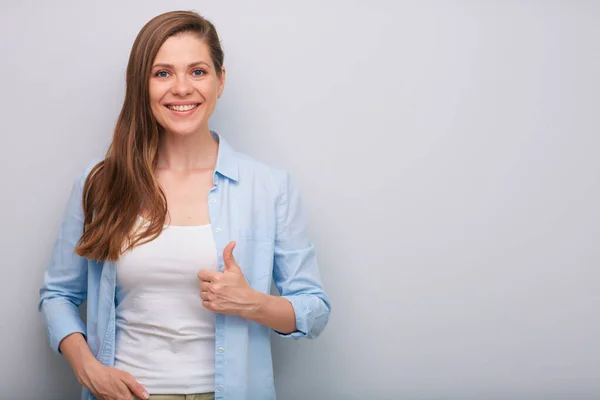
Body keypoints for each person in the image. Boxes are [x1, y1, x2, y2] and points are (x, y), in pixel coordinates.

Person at [38, 10, 330, 400]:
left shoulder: (269, 187)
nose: (181, 88)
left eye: (197, 71)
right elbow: (58, 294)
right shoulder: (101, 182)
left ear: (220, 81)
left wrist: (253, 303)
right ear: (142, 85)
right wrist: (88, 369)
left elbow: (315, 310)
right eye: (162, 73)